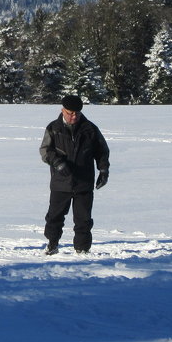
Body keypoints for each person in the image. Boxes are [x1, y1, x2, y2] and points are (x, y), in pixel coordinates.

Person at [39, 95, 110, 255]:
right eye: (70, 113)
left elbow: (102, 151)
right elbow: (45, 151)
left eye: (77, 113)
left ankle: (82, 249)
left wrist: (103, 170)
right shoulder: (53, 128)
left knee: (83, 220)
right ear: (62, 110)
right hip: (60, 183)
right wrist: (57, 163)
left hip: (84, 182)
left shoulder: (90, 129)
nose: (73, 116)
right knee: (54, 217)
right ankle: (52, 244)